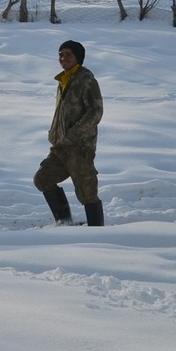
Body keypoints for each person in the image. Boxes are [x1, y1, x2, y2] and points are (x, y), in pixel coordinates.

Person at [34, 40, 104, 226]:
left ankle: (98, 232)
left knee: (86, 192)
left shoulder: (86, 80)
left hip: (79, 147)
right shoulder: (63, 80)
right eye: (60, 54)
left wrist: (74, 134)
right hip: (60, 146)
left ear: (78, 58)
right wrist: (54, 133)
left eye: (68, 54)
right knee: (42, 179)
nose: (63, 58)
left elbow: (96, 112)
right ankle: (64, 222)